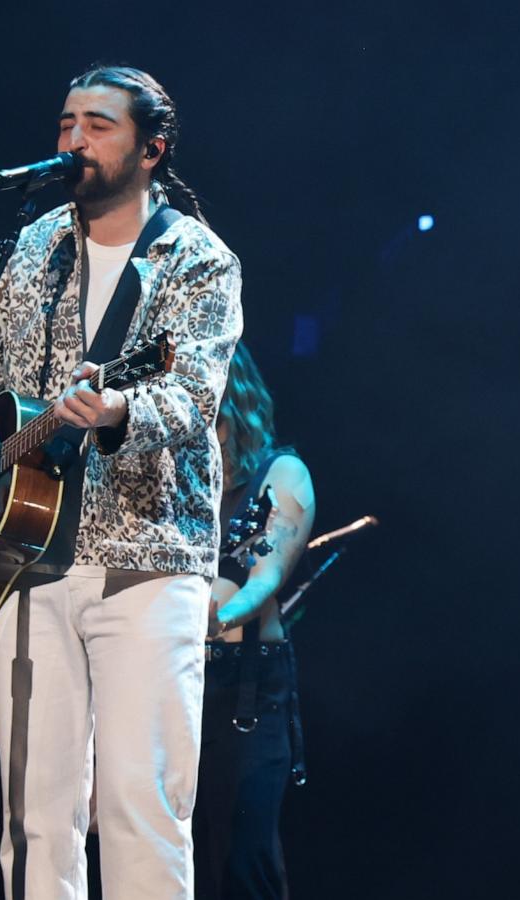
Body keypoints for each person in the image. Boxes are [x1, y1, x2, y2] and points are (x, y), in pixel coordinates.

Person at [0, 65, 242, 900]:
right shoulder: (33, 247)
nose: (73, 140)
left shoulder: (197, 259)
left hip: (145, 564)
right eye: (65, 123)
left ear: (152, 149)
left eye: (98, 125)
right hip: (21, 566)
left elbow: (191, 399)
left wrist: (116, 406)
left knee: (137, 807)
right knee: (32, 820)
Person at [194, 344, 315, 899]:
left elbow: (266, 578)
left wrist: (216, 616)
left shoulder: (280, 471)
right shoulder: (177, 483)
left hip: (244, 687)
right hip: (170, 677)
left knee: (243, 860)